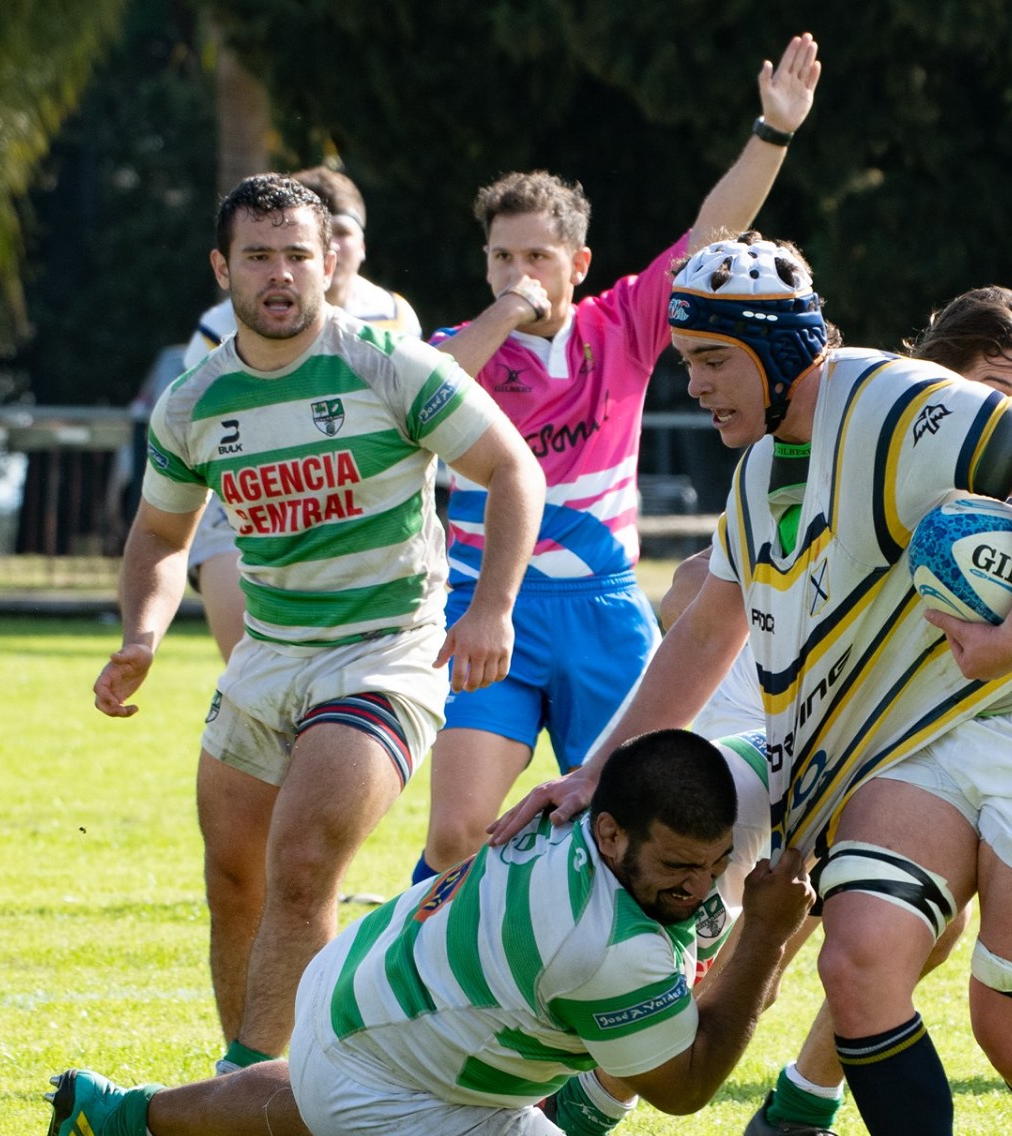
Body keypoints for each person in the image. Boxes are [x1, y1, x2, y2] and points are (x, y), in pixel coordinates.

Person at [495, 237, 1012, 1136]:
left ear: (770, 351)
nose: (694, 386)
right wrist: (595, 769)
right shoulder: (760, 476)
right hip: (924, 740)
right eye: (682, 362)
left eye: (709, 361)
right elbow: (705, 630)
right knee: (857, 960)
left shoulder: (892, 399)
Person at [19, 730, 814, 1136]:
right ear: (610, 834)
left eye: (713, 865)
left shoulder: (586, 802)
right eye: (677, 865)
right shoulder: (601, 944)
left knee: (336, 1091)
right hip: (396, 1074)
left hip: (359, 984)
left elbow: (777, 754)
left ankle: (119, 1117)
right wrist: (771, 932)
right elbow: (687, 1082)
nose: (699, 887)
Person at [95, 174, 543, 1077]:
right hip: (267, 658)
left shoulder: (390, 362)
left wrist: (491, 603)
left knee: (302, 863)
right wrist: (143, 630)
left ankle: (248, 1088)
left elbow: (512, 470)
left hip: (386, 653)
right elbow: (157, 532)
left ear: (329, 260)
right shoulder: (196, 402)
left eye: (298, 254)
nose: (280, 273)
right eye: (258, 255)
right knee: (236, 882)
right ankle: (266, 1082)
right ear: (223, 268)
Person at [409, 34, 822, 886]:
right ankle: (440, 980)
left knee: (628, 830)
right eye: (500, 257)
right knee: (455, 833)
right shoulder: (464, 347)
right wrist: (507, 311)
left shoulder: (622, 324)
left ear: (580, 265)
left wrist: (772, 133)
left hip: (604, 611)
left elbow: (716, 230)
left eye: (536, 258)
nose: (515, 272)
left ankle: (606, 986)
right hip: (490, 604)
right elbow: (422, 392)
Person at [181, 168, 426, 661]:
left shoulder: (392, 317)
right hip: (243, 500)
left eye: (340, 232)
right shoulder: (220, 326)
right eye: (264, 253)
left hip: (356, 496)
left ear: (342, 252)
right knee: (255, 664)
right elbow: (194, 432)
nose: (284, 269)